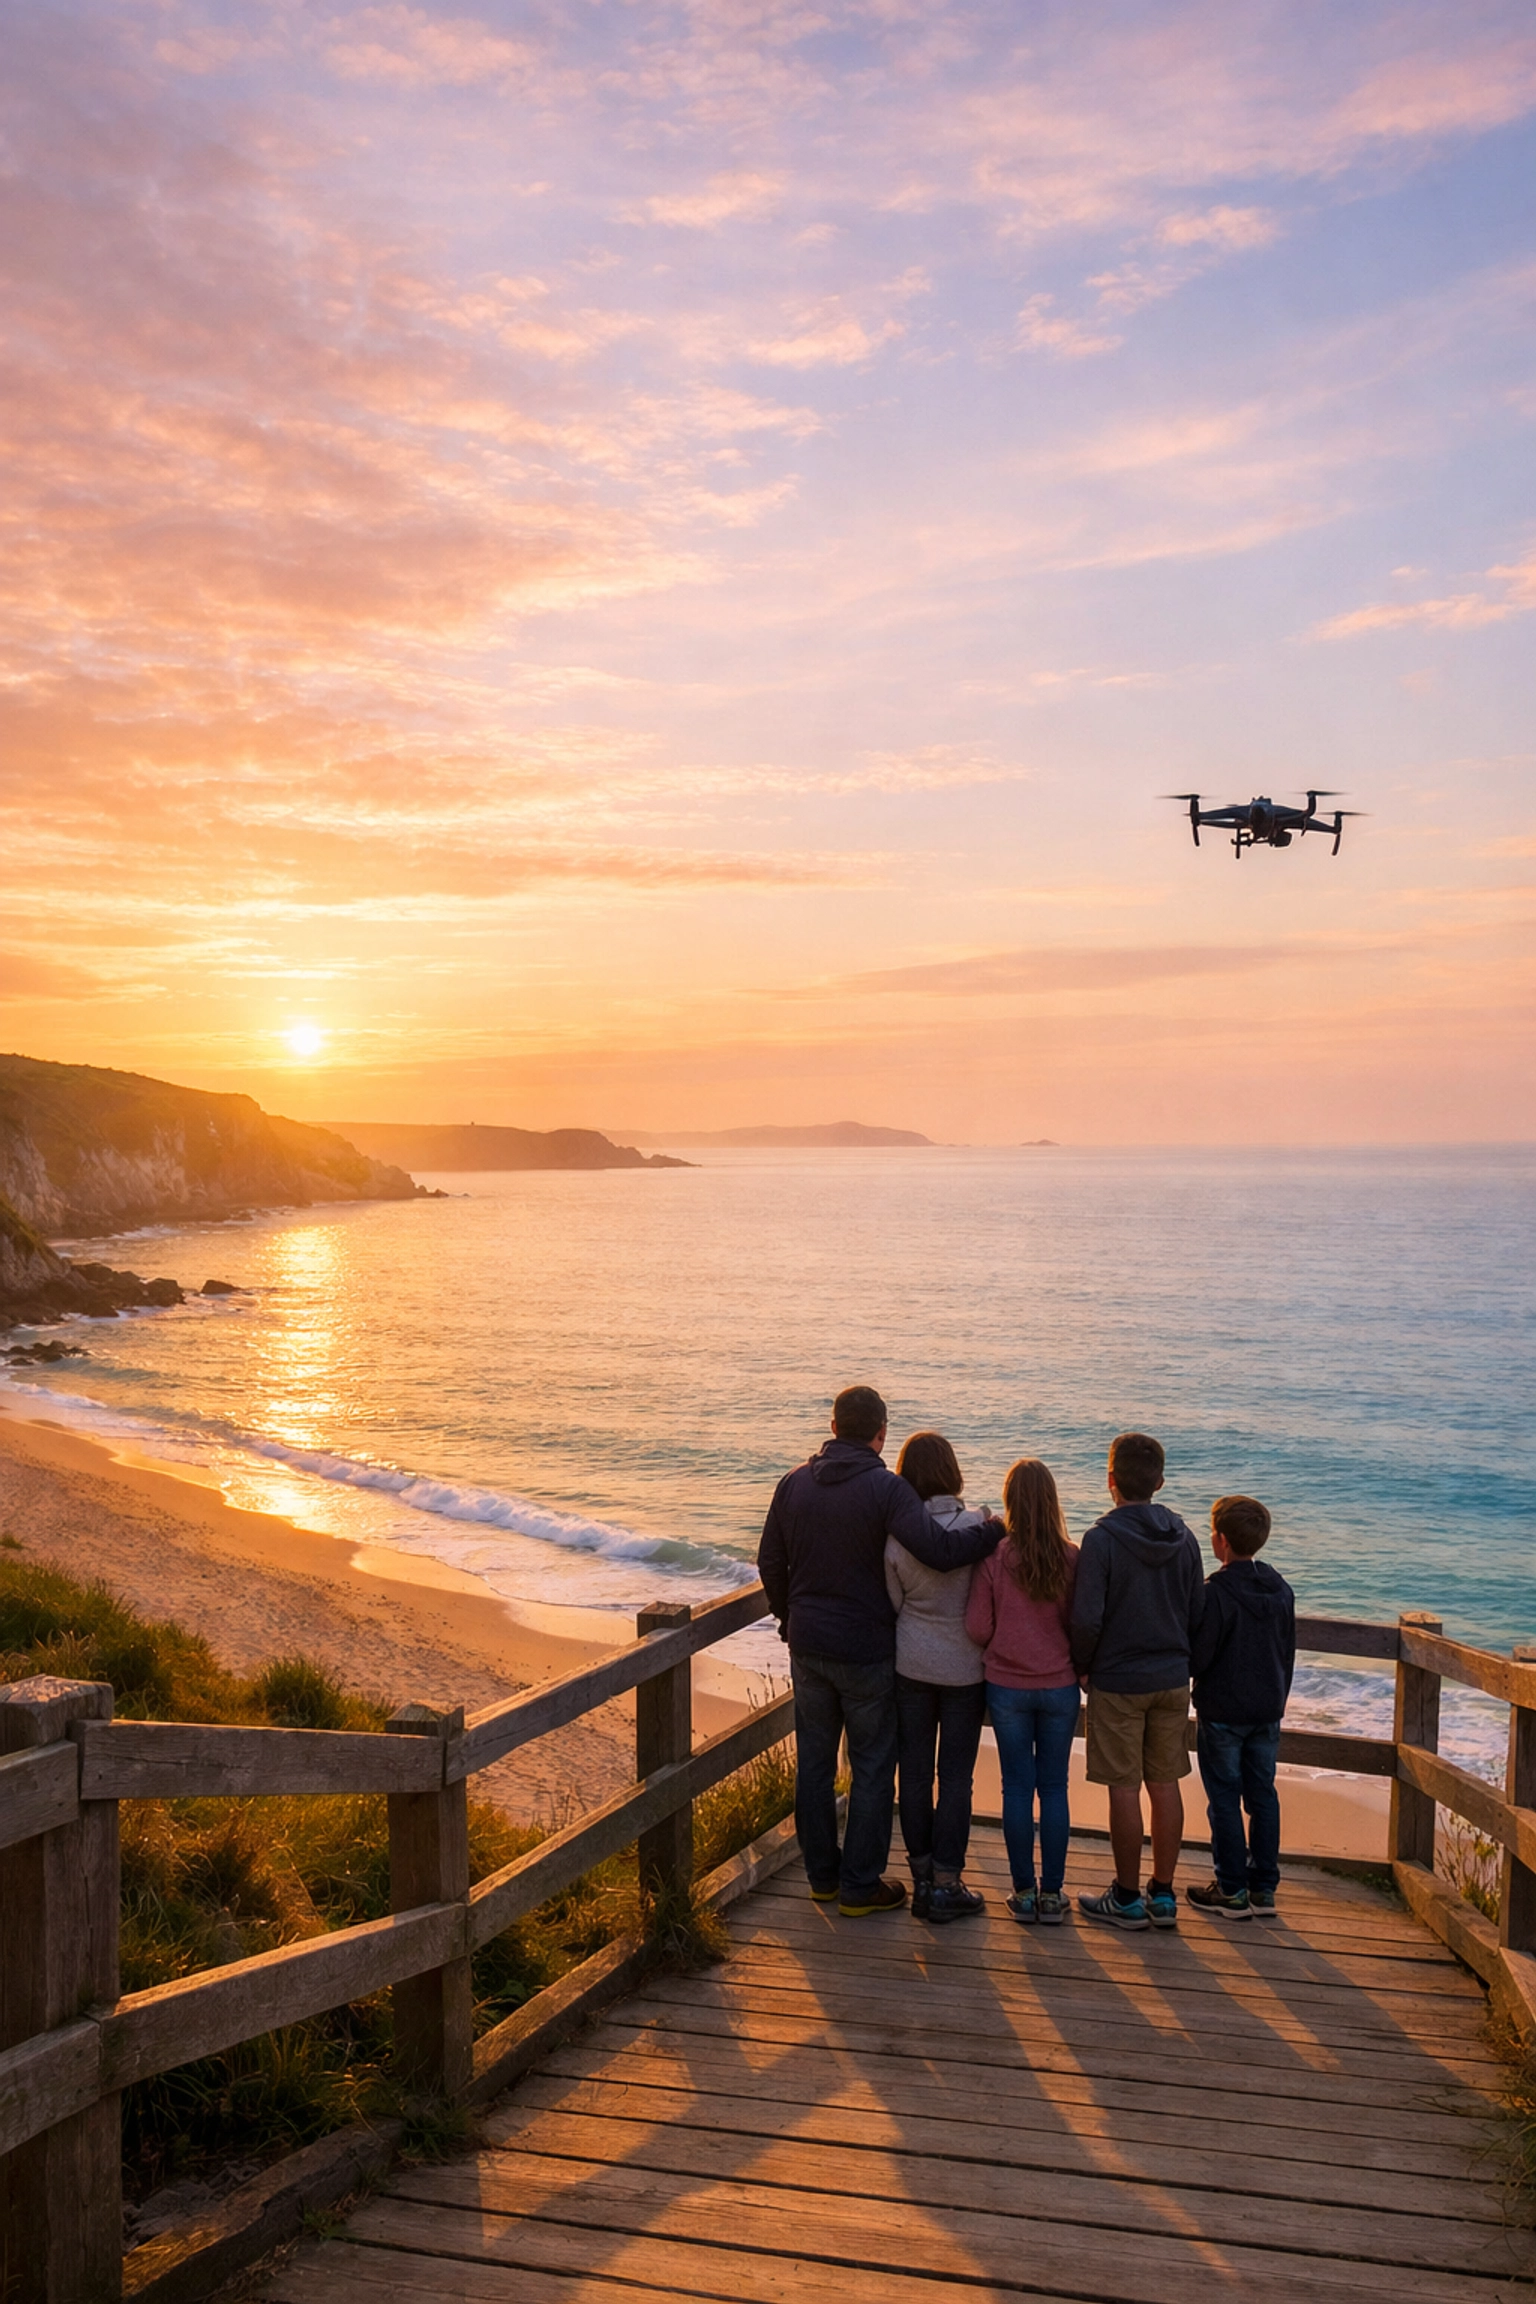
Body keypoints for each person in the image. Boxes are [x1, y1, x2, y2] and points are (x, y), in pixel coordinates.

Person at [759, 1385, 1002, 1918]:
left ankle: (822, 1877)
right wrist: (995, 1530)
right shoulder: (885, 1489)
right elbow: (939, 1552)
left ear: (833, 1425)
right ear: (881, 1433)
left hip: (808, 1644)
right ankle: (859, 1885)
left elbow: (770, 1562)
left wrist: (788, 1616)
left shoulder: (793, 1483)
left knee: (815, 1765)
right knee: (871, 1768)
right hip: (866, 1649)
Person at [1070, 1431, 1204, 1932]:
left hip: (1119, 1680)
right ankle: (1164, 1894)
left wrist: (1084, 1664)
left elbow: (1087, 1619)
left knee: (1123, 1788)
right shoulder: (1186, 1539)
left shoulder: (1101, 1540)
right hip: (1172, 1677)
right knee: (1165, 1782)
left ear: (1111, 1481)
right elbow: (1198, 1612)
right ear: (1161, 1482)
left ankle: (1126, 1897)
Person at [964, 1457, 1080, 1925]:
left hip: (1007, 1687)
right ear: (1052, 1502)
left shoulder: (995, 1558)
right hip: (1059, 1686)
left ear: (1010, 1502)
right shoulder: (1073, 1557)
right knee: (1054, 1787)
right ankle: (1053, 1894)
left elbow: (976, 1625)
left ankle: (1023, 1892)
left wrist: (1002, 1643)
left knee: (1016, 1786)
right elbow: (1083, 1623)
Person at [884, 1432, 989, 1923]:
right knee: (955, 1779)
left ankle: (921, 1877)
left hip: (912, 1664)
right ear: (952, 1471)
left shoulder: (898, 1534)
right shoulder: (978, 1526)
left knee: (916, 1775)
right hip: (965, 1668)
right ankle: (949, 1881)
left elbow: (893, 1603)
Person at [1187, 1494, 1296, 1921]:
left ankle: (1231, 1887)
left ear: (1221, 1541)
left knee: (1225, 1799)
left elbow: (1200, 1657)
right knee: (1263, 1796)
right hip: (1267, 1709)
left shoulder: (1216, 1593)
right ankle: (1263, 1886)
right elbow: (1287, 1650)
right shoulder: (1280, 1588)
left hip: (1224, 1712)